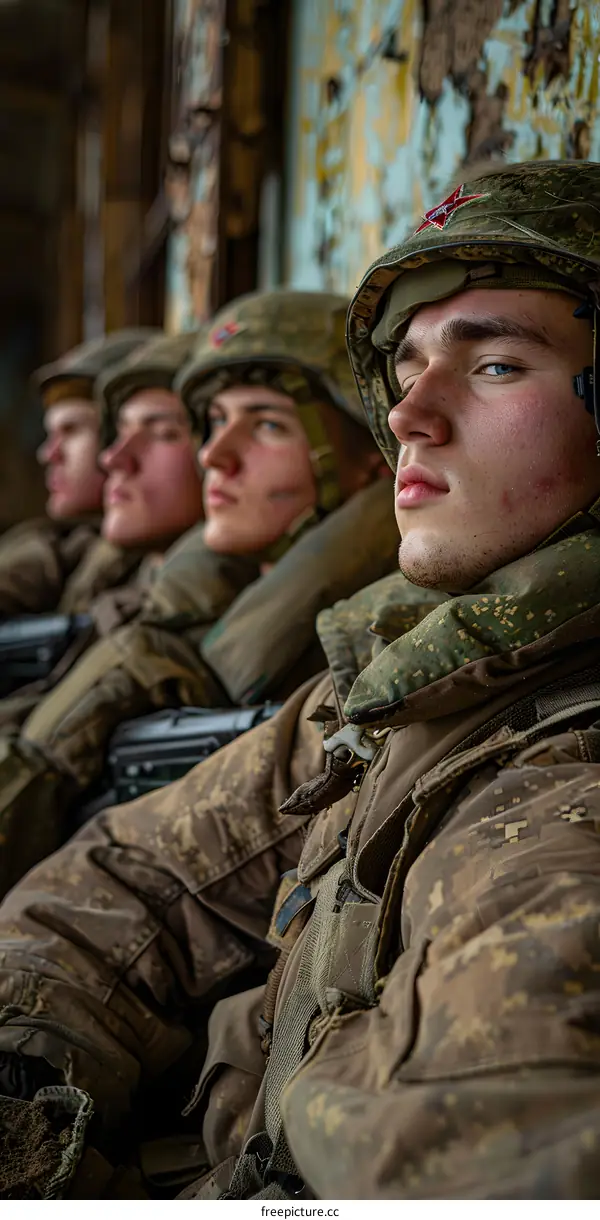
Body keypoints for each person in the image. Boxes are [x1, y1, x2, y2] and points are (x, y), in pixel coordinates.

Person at [7, 157, 600, 1198]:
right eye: (405, 366)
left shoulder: (561, 793)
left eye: (497, 363)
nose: (414, 412)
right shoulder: (405, 675)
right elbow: (125, 877)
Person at [0, 291, 414, 895]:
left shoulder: (373, 648)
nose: (215, 456)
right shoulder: (208, 615)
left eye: (267, 425)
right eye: (215, 422)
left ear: (370, 459)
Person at [0, 330, 158, 620]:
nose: (49, 454)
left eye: (72, 430)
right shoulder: (70, 543)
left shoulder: (159, 558)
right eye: (52, 434)